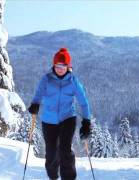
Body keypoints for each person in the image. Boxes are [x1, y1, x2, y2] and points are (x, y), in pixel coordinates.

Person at [28, 47, 92, 180]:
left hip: (67, 118)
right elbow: (39, 94)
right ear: (54, 65)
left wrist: (86, 121)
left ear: (68, 66)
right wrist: (35, 104)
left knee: (64, 149)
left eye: (63, 65)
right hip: (49, 120)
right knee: (51, 152)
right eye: (57, 65)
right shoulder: (47, 79)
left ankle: (68, 177)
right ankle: (52, 176)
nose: (60, 68)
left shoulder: (73, 81)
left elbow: (83, 101)